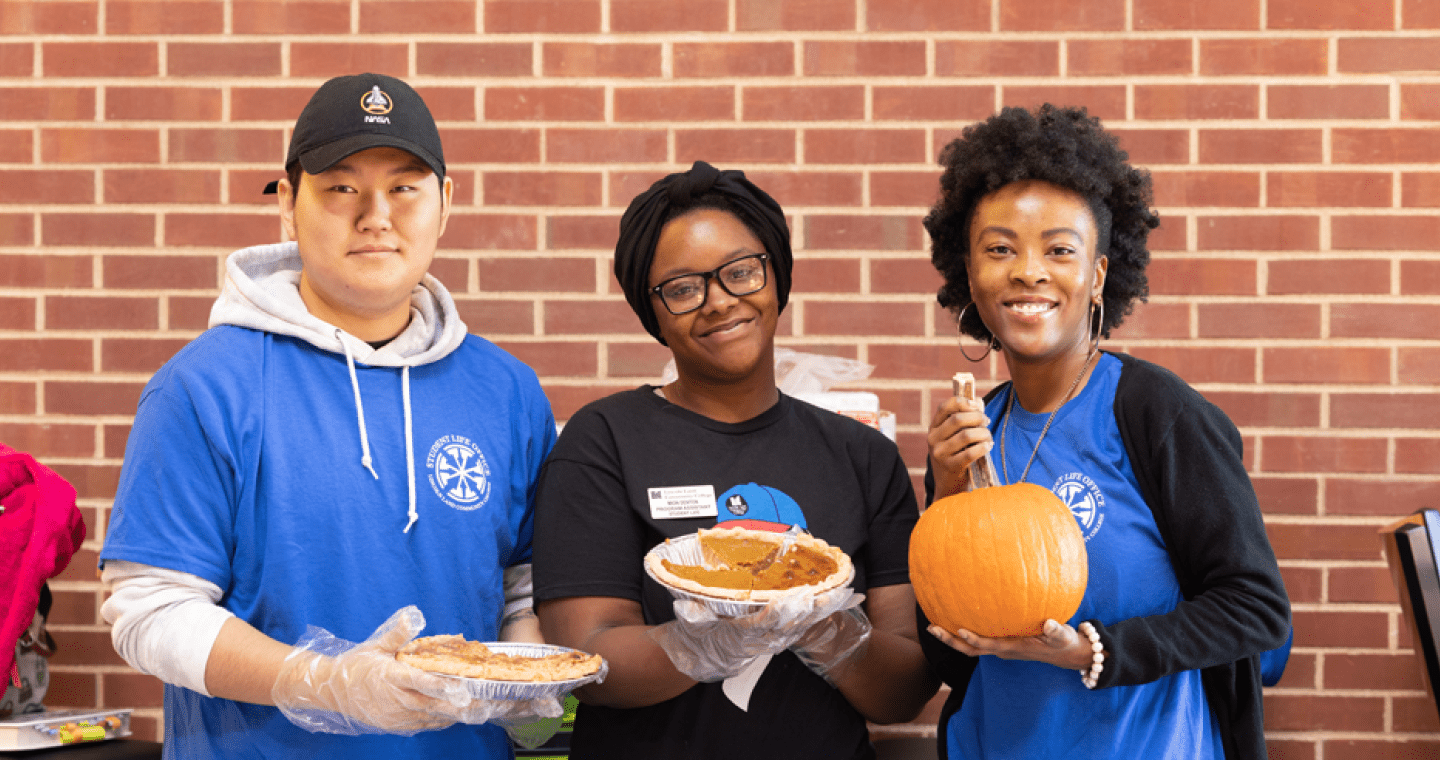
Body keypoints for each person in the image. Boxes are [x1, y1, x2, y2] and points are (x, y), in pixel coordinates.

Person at [98, 73, 559, 759]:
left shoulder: (509, 392)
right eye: (342, 187)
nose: (376, 214)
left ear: (445, 203)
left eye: (405, 187)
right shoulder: (205, 386)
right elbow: (151, 612)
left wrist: (526, 686)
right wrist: (321, 681)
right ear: (287, 203)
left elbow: (523, 589)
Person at [532, 161, 940, 759]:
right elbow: (588, 660)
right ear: (654, 314)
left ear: (776, 278)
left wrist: (825, 631)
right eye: (683, 288)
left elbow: (904, 689)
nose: (719, 302)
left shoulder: (863, 458)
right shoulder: (604, 442)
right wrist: (710, 643)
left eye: (741, 272)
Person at [919, 103, 1291, 760]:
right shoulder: (973, 436)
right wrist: (946, 495)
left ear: (1096, 276)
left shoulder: (1155, 414)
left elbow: (1256, 611)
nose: (1028, 271)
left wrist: (1093, 650)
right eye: (999, 249)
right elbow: (949, 657)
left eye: (1059, 250)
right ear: (968, 275)